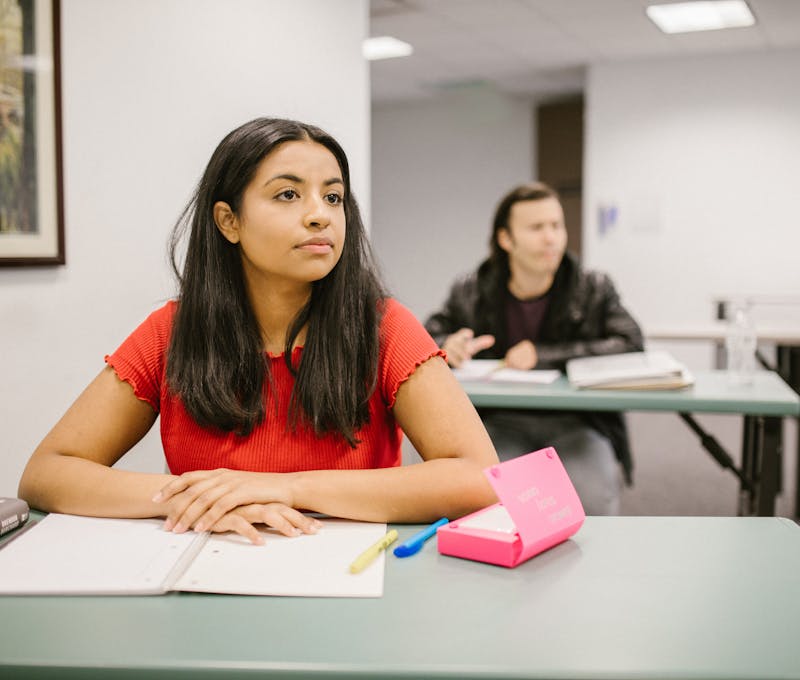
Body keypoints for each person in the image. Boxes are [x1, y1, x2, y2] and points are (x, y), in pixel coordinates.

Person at [18, 117, 498, 544]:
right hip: (209, 573)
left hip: (346, 583)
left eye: (333, 197)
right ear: (229, 221)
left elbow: (479, 477)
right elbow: (48, 473)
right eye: (288, 194)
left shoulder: (385, 327)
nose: (320, 214)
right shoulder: (171, 331)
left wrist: (285, 488)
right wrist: (198, 498)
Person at [425, 182, 644, 515]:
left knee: (594, 502)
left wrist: (542, 356)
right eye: (536, 228)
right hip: (500, 422)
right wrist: (446, 347)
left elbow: (631, 342)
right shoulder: (470, 289)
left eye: (556, 226)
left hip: (580, 421)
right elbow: (426, 340)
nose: (551, 237)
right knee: (488, 503)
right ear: (506, 239)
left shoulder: (592, 286)